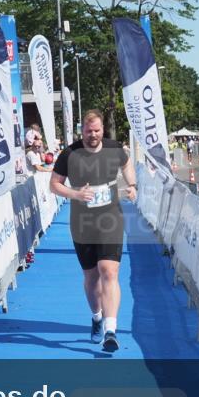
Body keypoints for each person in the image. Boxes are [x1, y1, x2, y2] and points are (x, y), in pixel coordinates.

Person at [50, 110, 137, 353]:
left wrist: (132, 184)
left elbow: (127, 164)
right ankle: (97, 316)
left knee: (109, 270)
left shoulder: (114, 148)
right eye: (89, 132)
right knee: (91, 278)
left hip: (110, 218)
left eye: (97, 131)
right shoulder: (70, 153)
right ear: (82, 131)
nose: (93, 135)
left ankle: (111, 330)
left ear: (102, 130)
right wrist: (75, 194)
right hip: (82, 221)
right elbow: (54, 184)